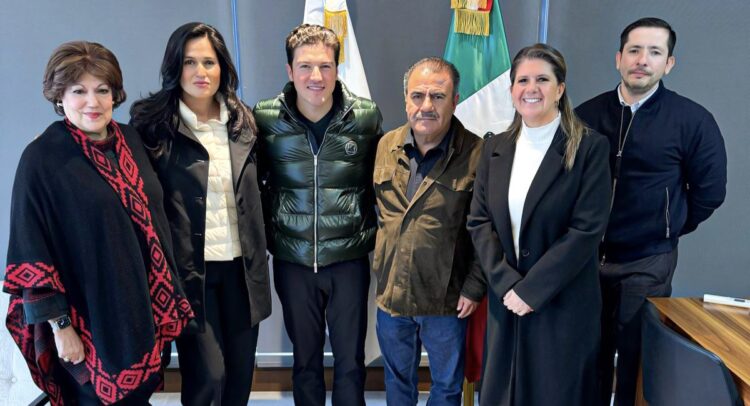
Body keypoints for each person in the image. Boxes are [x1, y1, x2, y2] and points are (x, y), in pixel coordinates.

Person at [3, 41, 193, 405]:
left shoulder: (130, 139)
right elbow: (31, 250)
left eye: (102, 90)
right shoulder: (42, 158)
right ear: (59, 96)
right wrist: (61, 328)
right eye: (79, 91)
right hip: (87, 323)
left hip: (141, 312)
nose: (93, 102)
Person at [575, 17, 727, 406]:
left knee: (636, 358)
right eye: (634, 50)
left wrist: (667, 225)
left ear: (669, 63)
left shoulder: (693, 120)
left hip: (647, 261)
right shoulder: (585, 116)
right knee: (585, 356)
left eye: (654, 52)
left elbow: (710, 192)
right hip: (586, 259)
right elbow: (563, 185)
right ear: (619, 58)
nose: (642, 60)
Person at [129, 22, 271, 405]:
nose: (200, 72)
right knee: (209, 376)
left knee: (239, 378)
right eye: (189, 62)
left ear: (222, 67)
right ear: (175, 67)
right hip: (189, 273)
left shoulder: (244, 123)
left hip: (242, 270)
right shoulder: (152, 126)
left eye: (209, 62)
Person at [467, 43, 611, 406]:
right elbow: (479, 221)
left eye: (542, 80)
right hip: (506, 301)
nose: (531, 89)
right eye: (523, 80)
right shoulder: (494, 148)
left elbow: (586, 230)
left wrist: (531, 291)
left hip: (561, 302)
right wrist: (506, 283)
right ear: (512, 89)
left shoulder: (589, 148)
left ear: (560, 89)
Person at [253, 23, 382, 406]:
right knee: (305, 361)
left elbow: (378, 184)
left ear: (337, 69)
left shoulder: (365, 117)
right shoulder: (265, 118)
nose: (316, 76)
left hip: (348, 261)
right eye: (305, 66)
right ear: (289, 70)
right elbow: (255, 185)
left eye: (325, 66)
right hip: (293, 261)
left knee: (351, 362)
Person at [372, 57, 485, 406]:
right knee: (397, 383)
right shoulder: (385, 145)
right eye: (417, 95)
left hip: (447, 301)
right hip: (392, 297)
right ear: (405, 99)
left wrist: (474, 286)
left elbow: (487, 229)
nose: (426, 106)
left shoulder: (478, 153)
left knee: (447, 388)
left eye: (438, 96)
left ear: (455, 100)